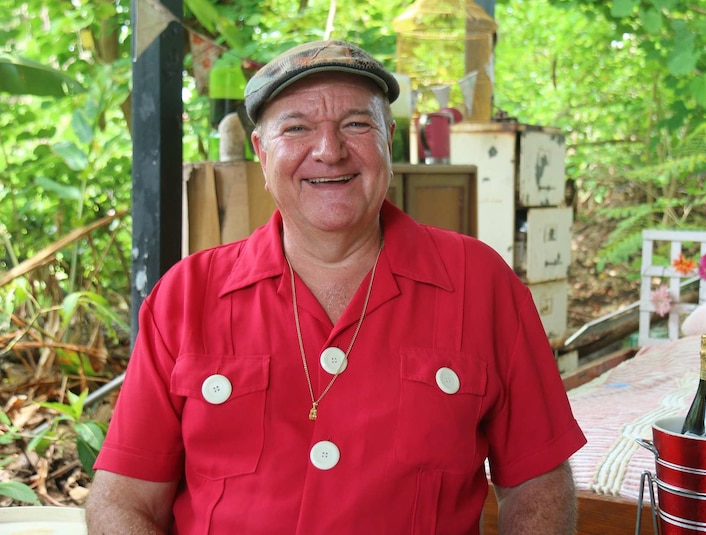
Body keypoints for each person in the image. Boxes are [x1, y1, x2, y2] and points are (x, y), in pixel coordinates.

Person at [86, 39, 587, 534]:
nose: (329, 151)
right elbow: (123, 500)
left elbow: (536, 482)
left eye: (355, 124)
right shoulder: (187, 296)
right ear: (261, 153)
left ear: (388, 139)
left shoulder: (479, 283)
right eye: (297, 128)